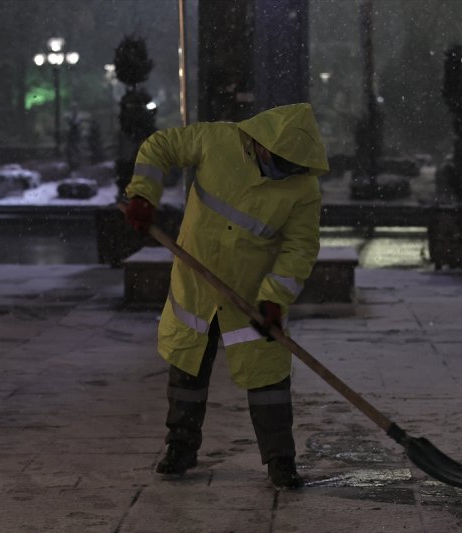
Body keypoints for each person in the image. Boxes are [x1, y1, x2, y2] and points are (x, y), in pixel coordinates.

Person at [124, 103, 329, 489]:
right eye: (280, 163)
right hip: (196, 285)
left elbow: (300, 247)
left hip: (251, 297)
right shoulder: (217, 140)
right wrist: (143, 195)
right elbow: (159, 147)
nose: (284, 174)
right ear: (262, 146)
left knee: (268, 379)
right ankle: (180, 448)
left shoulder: (303, 187)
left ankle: (280, 460)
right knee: (187, 371)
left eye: (293, 168)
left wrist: (274, 297)